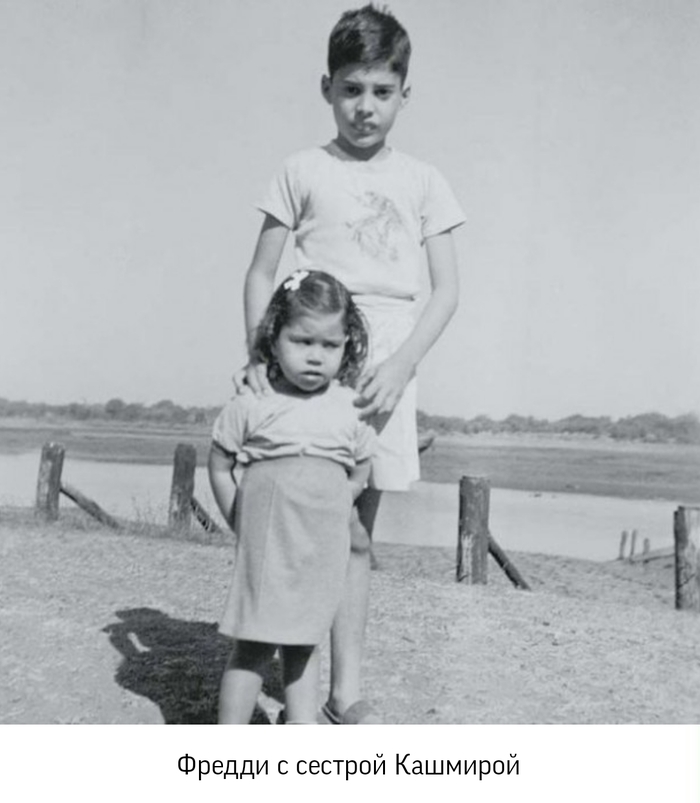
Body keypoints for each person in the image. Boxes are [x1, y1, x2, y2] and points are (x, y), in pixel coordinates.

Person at [236, 4, 465, 724]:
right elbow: (260, 272)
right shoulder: (300, 169)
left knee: (357, 532)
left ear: (405, 94)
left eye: (382, 91)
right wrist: (258, 357)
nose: (366, 107)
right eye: (351, 89)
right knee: (300, 524)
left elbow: (447, 290)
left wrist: (400, 367)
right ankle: (286, 677)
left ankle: (343, 692)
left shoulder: (425, 180)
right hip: (315, 352)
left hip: (384, 369)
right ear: (327, 88)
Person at [209, 269, 374, 724]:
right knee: (255, 640)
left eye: (330, 345)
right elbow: (220, 463)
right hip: (269, 538)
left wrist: (340, 501)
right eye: (302, 341)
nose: (316, 356)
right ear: (274, 338)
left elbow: (361, 466)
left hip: (319, 543)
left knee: (305, 638)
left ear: (347, 345)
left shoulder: (349, 406)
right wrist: (238, 516)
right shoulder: (254, 401)